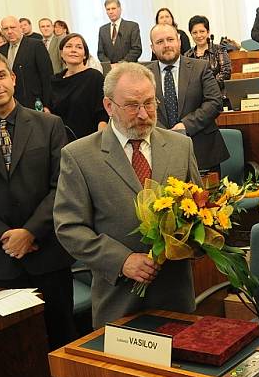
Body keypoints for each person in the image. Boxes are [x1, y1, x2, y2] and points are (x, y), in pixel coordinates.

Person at [53, 63, 201, 329]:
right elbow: (69, 228)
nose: (144, 114)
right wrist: (121, 261)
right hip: (118, 301)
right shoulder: (80, 156)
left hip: (175, 298)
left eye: (149, 103)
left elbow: (199, 210)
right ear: (109, 106)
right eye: (132, 105)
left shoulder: (181, 146)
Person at [0, 50, 76, 349]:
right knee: (16, 348)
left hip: (48, 254)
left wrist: (30, 232)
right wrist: (8, 238)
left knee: (62, 341)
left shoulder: (50, 125)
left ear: (13, 78)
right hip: (2, 258)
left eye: (0, 75)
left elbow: (62, 186)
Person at [145, 24, 228, 172]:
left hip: (203, 152)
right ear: (152, 48)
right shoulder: (144, 74)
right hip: (161, 154)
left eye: (170, 39)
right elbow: (142, 108)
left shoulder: (200, 67)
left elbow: (215, 102)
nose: (166, 45)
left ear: (179, 41)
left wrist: (185, 125)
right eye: (160, 42)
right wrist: (163, 132)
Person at [50, 33, 108, 140]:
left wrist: (101, 142)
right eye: (68, 46)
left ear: (85, 55)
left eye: (79, 47)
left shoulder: (94, 77)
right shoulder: (54, 80)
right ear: (61, 53)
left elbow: (103, 114)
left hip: (89, 141)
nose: (73, 50)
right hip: (60, 141)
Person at [0, 16, 54, 109]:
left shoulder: (36, 45)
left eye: (13, 27)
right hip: (10, 104)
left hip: (34, 102)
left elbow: (47, 76)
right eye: (5, 29)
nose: (9, 31)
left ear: (20, 28)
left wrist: (47, 105)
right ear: (2, 32)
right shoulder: (0, 51)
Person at [184, 15, 232, 92]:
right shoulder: (187, 55)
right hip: (195, 98)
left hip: (218, 95)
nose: (199, 35)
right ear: (191, 34)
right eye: (195, 33)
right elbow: (185, 79)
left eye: (202, 31)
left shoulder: (220, 49)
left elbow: (226, 73)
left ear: (208, 32)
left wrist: (206, 86)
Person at [97, 0, 142, 64]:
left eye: (113, 8)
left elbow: (136, 49)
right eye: (108, 9)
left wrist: (122, 64)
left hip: (129, 68)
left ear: (120, 9)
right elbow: (100, 53)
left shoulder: (132, 26)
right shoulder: (103, 30)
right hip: (110, 70)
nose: (111, 12)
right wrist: (109, 65)